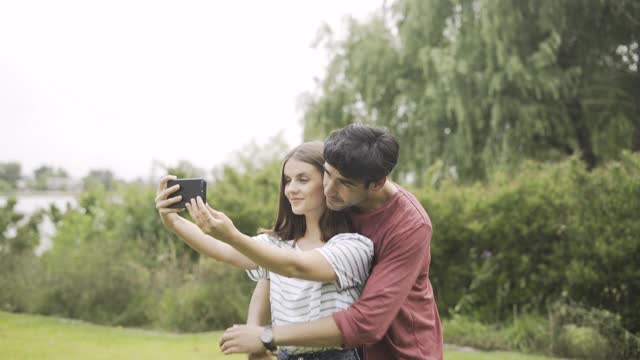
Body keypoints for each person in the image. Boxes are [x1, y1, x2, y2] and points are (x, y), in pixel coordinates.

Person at [215, 124, 443, 359]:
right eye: (327, 174)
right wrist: (256, 338)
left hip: (401, 351)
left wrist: (268, 335)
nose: (328, 189)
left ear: (377, 184)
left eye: (344, 183)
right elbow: (277, 265)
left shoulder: (409, 226)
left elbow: (366, 322)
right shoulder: (337, 202)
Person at [155, 141, 373, 360]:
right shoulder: (278, 245)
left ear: (328, 184)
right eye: (287, 181)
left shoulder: (353, 246)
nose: (291, 189)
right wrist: (173, 221)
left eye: (303, 179)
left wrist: (232, 235)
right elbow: (223, 251)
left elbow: (295, 266)